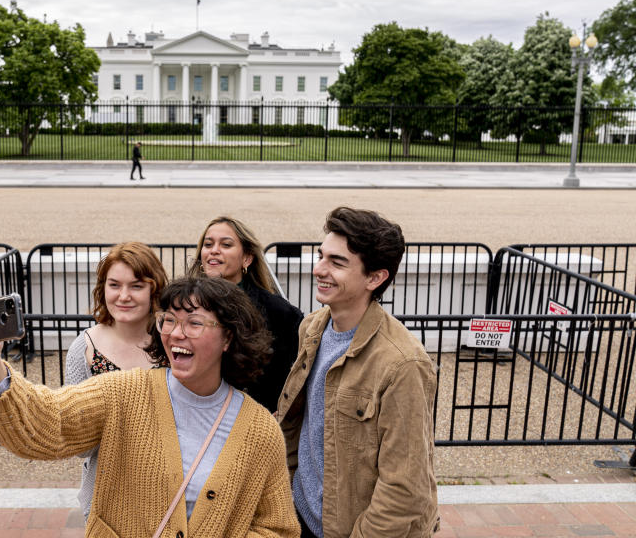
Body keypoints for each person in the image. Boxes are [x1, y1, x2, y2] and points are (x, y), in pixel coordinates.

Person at [0, 276, 300, 538]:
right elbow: (49, 421)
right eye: (168, 320)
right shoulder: (125, 394)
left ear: (228, 337)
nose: (176, 333)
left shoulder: (259, 430)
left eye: (195, 323)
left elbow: (277, 526)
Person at [276, 207, 438, 538]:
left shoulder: (403, 363)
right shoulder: (311, 328)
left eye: (337, 263)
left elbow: (405, 488)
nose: (319, 269)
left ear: (375, 278)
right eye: (321, 256)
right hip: (302, 517)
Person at [62, 241, 168, 517]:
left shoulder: (173, 343)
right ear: (102, 288)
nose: (124, 296)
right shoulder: (83, 349)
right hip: (107, 497)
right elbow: (80, 446)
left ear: (154, 288)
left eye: (136, 286)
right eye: (114, 285)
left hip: (170, 492)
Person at [189, 216, 302, 412]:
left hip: (254, 418)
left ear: (247, 258)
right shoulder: (185, 304)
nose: (214, 250)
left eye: (226, 244)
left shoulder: (278, 311)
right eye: (208, 244)